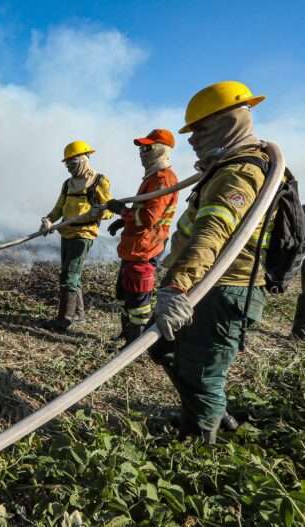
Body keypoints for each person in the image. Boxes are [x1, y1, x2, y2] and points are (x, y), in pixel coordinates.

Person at [152, 80, 273, 443]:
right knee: (169, 351)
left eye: (200, 129)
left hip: (223, 290)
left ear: (227, 122)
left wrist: (176, 286)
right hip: (208, 287)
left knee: (203, 374)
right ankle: (207, 415)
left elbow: (211, 233)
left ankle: (200, 448)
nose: (191, 140)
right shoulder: (229, 165)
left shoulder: (238, 172)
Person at [106, 129, 179, 347]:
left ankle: (133, 345)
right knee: (124, 293)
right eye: (141, 148)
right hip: (135, 246)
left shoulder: (162, 179)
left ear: (160, 150)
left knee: (137, 300)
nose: (142, 153)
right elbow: (145, 211)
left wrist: (122, 211)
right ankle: (126, 333)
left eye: (147, 148)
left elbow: (149, 218)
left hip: (145, 249)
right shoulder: (152, 177)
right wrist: (125, 221)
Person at [41, 140, 113, 330]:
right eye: (67, 165)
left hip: (84, 233)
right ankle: (78, 315)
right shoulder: (68, 184)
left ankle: (64, 320)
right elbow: (59, 208)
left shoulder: (99, 181)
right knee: (71, 274)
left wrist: (99, 212)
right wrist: (48, 219)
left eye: (72, 165)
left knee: (69, 277)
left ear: (83, 160)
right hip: (67, 232)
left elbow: (110, 209)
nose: (69, 169)